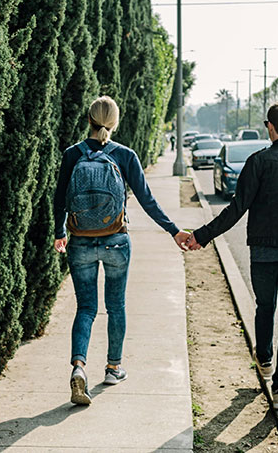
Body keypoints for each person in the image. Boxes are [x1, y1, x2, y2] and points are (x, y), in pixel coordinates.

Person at [186, 101, 278, 411]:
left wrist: (201, 236)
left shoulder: (258, 162)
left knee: (265, 307)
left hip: (264, 252)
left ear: (270, 127)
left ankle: (264, 359)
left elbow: (237, 209)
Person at [53, 96, 190, 405]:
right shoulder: (125, 155)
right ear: (114, 123)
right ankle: (114, 367)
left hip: (81, 242)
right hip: (116, 240)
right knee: (116, 306)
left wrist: (59, 232)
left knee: (86, 308)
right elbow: (147, 200)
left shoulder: (72, 154)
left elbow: (59, 198)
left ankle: (78, 367)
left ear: (88, 119)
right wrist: (173, 230)